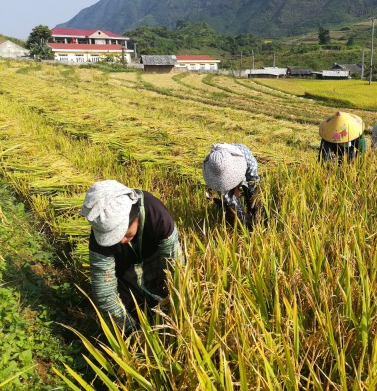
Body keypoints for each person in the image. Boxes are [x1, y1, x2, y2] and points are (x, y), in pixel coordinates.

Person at [80, 179, 183, 334]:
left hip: (153, 259)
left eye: (123, 232)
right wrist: (131, 331)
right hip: (123, 271)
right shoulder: (100, 232)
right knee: (131, 306)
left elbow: (175, 265)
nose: (120, 240)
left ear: (135, 217)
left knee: (160, 296)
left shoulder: (156, 213)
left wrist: (178, 305)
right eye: (114, 237)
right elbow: (104, 292)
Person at [202, 143, 260, 230]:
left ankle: (253, 211)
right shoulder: (214, 166)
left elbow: (253, 183)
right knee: (230, 203)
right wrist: (245, 221)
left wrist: (255, 207)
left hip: (243, 164)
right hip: (222, 172)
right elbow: (231, 200)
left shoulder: (246, 159)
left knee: (251, 193)